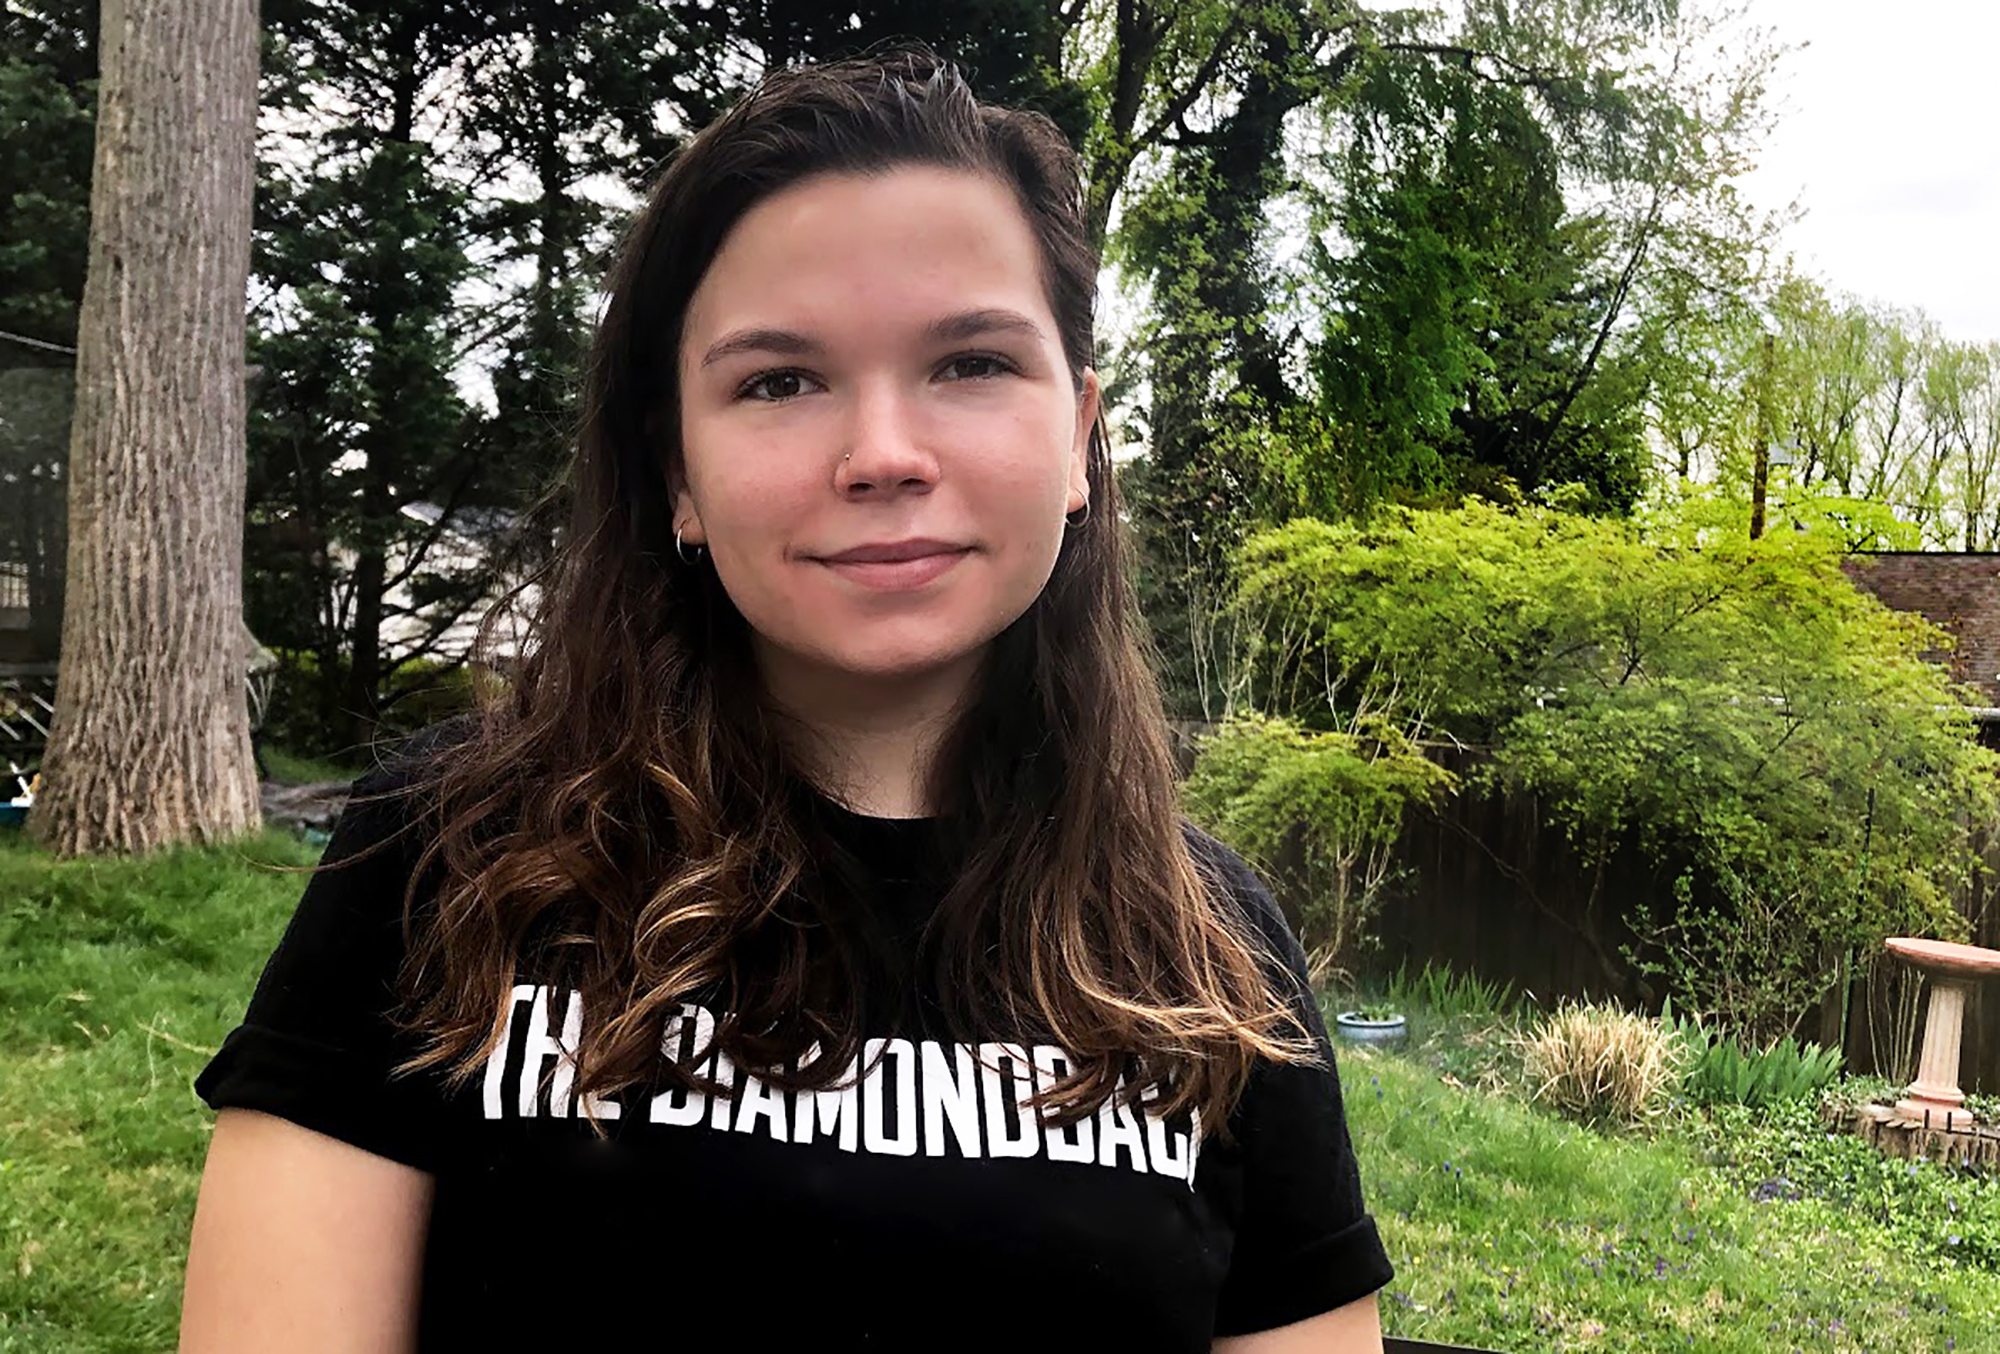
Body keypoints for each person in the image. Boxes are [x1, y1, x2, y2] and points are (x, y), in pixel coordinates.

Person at [179, 48, 1394, 1353]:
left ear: (1081, 438)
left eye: (972, 361)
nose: (884, 454)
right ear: (678, 473)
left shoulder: (1213, 956)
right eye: (779, 381)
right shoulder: (445, 853)